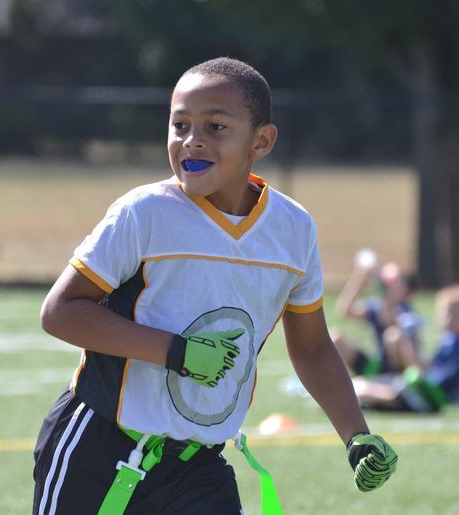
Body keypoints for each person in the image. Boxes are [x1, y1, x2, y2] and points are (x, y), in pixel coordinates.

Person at [33, 57, 397, 514]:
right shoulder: (144, 213)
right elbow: (61, 311)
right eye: (179, 125)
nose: (193, 140)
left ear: (261, 141)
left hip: (198, 465)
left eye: (216, 126)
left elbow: (312, 347)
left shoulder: (294, 229)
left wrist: (355, 434)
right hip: (99, 447)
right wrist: (176, 351)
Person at [354, 284, 459, 412]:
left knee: (363, 389)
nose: (443, 318)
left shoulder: (454, 342)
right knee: (363, 385)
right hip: (427, 391)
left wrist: (408, 342)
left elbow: (436, 375)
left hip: (430, 396)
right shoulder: (449, 339)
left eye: (449, 314)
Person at [331, 254, 422, 377]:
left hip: (397, 369)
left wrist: (384, 291)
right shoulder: (377, 305)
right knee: (335, 338)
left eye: (393, 281)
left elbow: (390, 319)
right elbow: (345, 311)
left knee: (393, 336)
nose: (386, 283)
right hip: (379, 364)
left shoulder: (405, 309)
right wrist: (359, 280)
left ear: (405, 288)